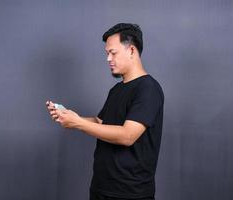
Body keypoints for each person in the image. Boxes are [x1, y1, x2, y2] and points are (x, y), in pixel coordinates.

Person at [46, 23, 164, 200]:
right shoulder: (116, 90)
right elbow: (101, 122)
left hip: (130, 194)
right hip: (101, 188)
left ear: (131, 50)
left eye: (113, 53)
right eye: (107, 53)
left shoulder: (148, 89)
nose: (108, 59)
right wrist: (72, 118)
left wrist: (78, 123)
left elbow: (127, 136)